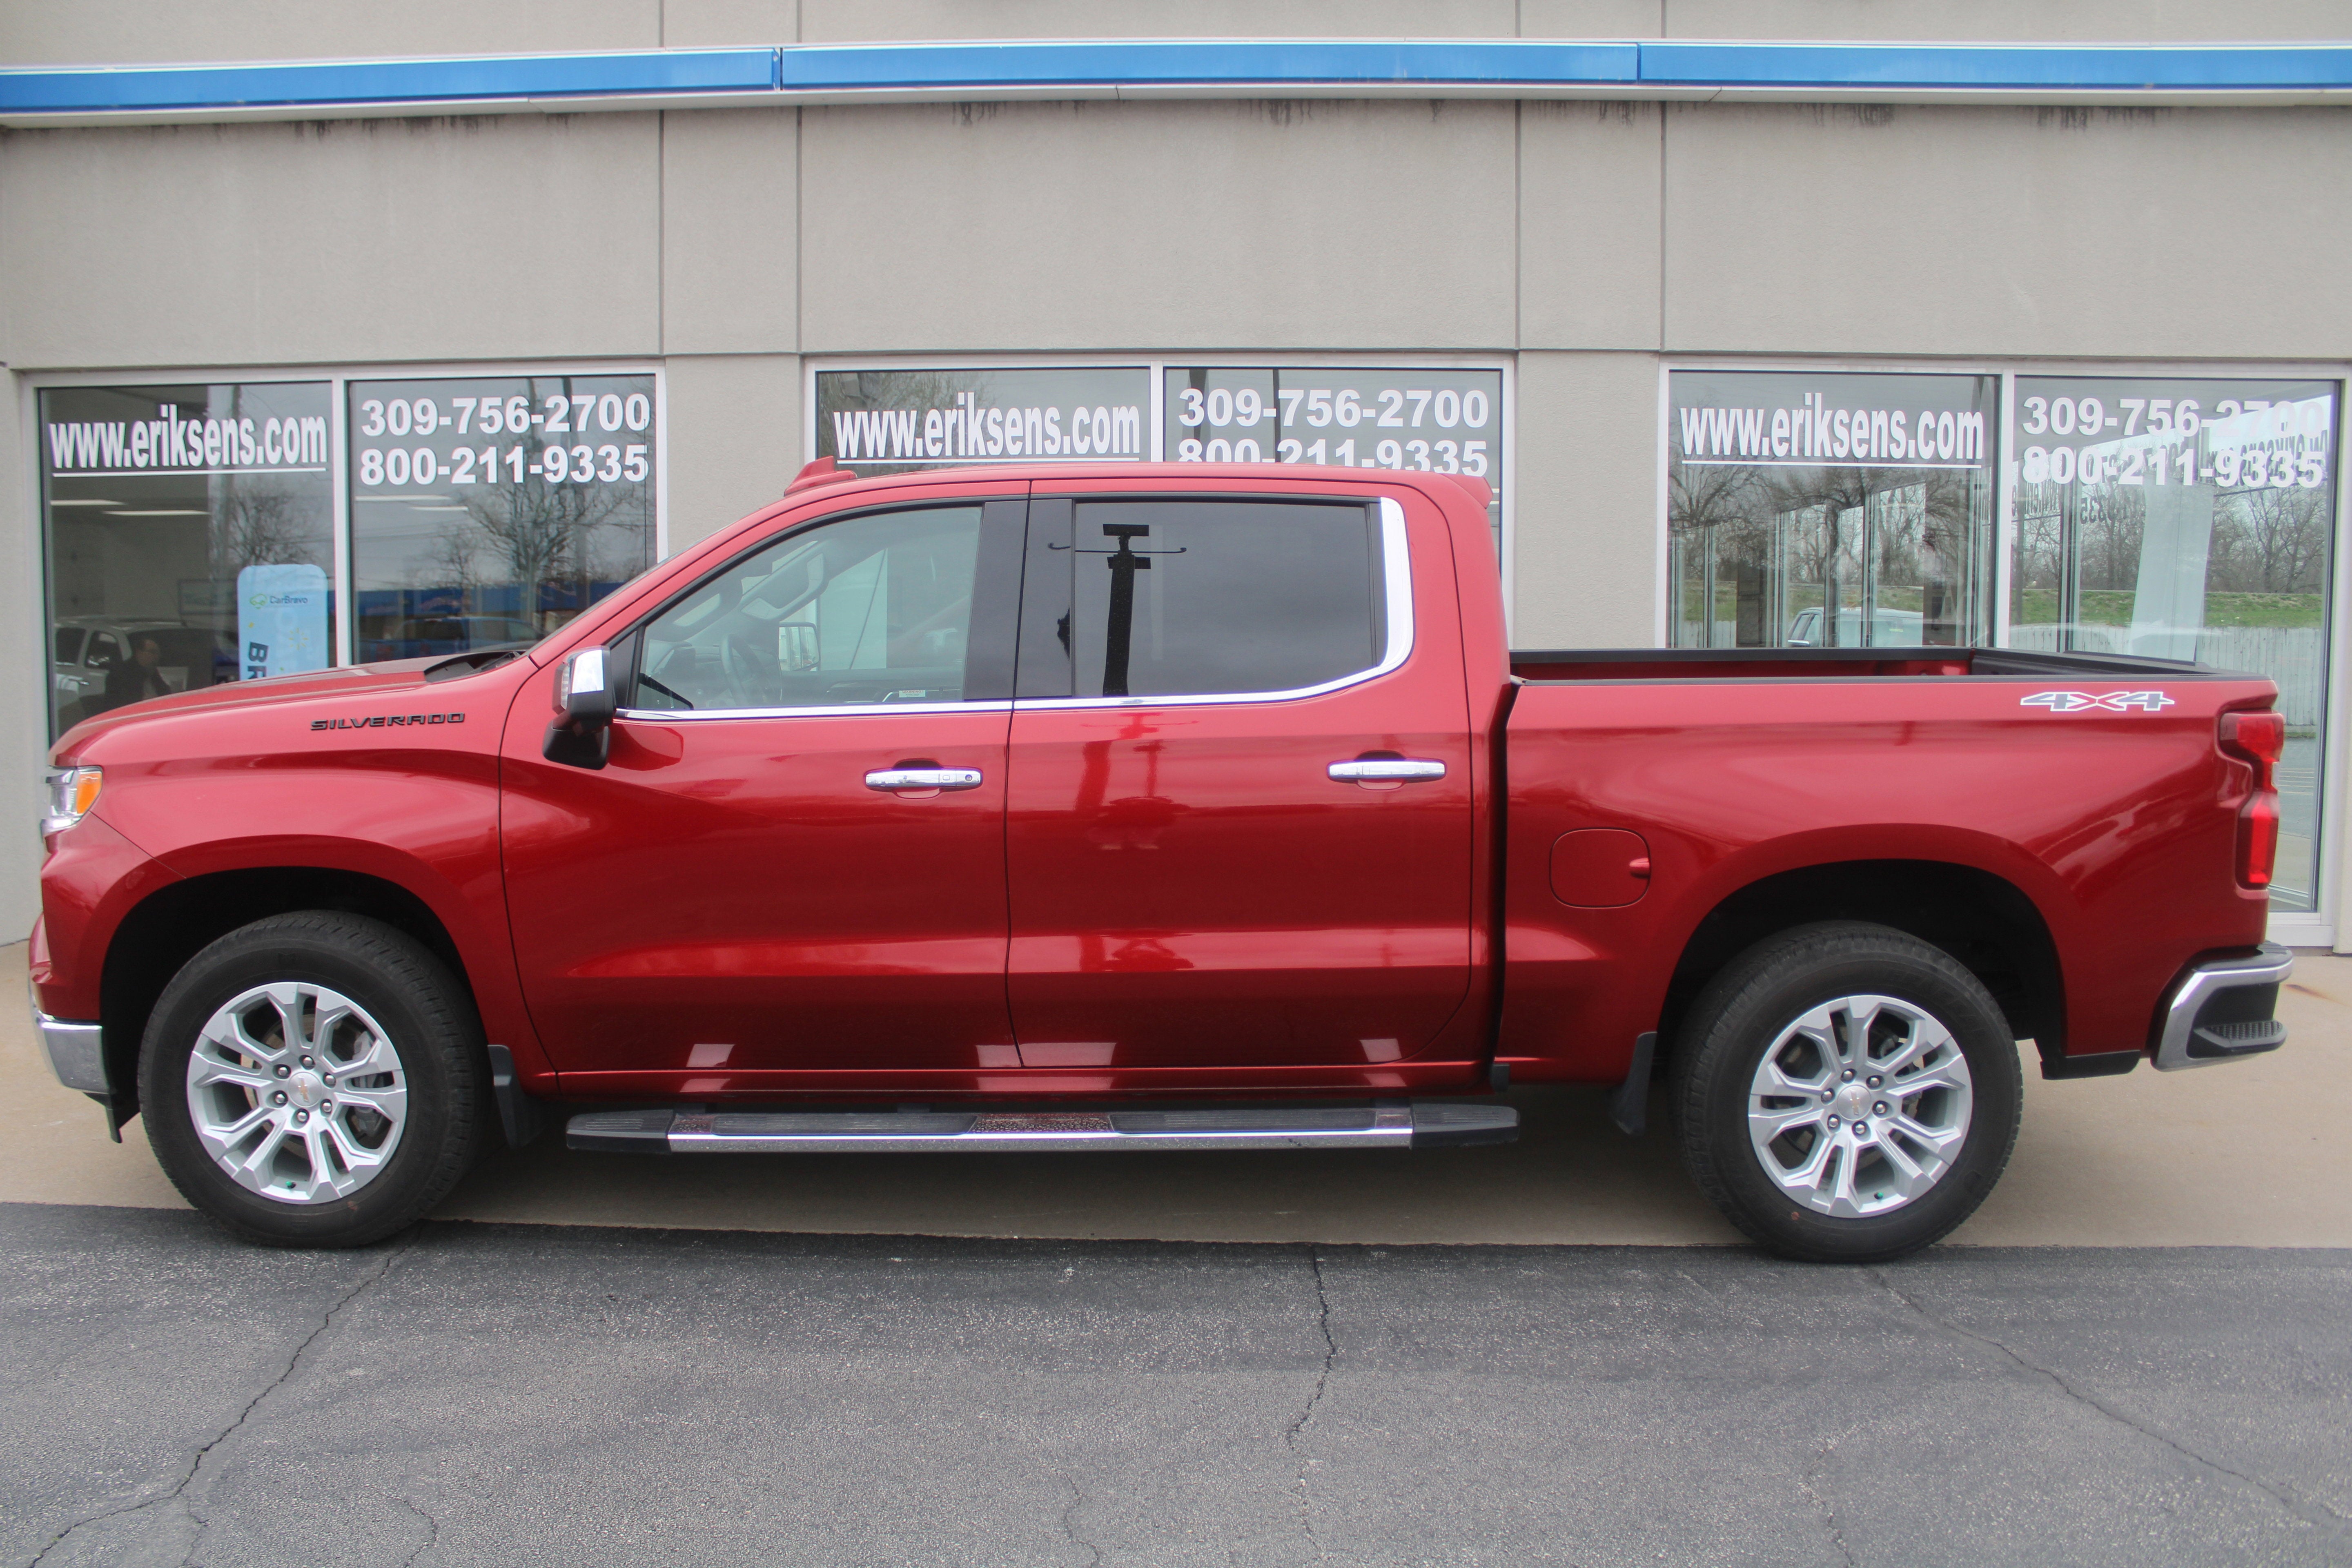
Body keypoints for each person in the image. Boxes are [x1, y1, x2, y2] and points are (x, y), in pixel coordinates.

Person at [105, 636, 175, 710]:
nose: (156, 657)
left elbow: (164, 691)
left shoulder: (151, 671)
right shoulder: (121, 673)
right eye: (153, 652)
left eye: (158, 654)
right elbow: (123, 700)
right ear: (139, 653)